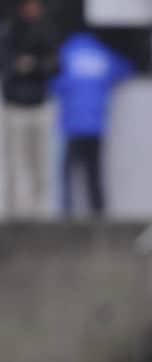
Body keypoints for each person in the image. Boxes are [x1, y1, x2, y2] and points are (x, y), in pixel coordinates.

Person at [51, 32, 133, 216]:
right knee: (94, 172)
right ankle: (98, 210)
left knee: (68, 173)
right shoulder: (102, 53)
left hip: (71, 124)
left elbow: (55, 82)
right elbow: (125, 69)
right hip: (96, 123)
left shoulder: (67, 52)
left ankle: (66, 211)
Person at [1, 0, 58, 218]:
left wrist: (32, 65)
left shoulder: (46, 31)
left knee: (39, 164)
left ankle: (38, 214)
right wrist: (20, 67)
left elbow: (54, 64)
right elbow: (7, 66)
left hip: (39, 105)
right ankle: (14, 213)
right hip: (15, 106)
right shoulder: (9, 32)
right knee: (15, 163)